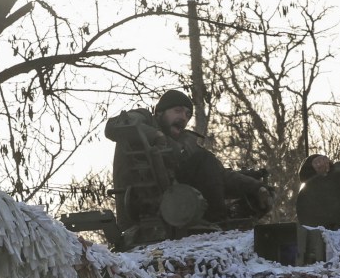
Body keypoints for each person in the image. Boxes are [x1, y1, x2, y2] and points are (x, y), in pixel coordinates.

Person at [105, 89, 272, 229]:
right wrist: (156, 135)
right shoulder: (144, 118)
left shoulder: (185, 145)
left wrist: (256, 187)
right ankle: (218, 222)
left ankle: (223, 220)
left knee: (255, 188)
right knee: (204, 160)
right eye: (177, 110)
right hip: (145, 213)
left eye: (188, 114)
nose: (183, 118)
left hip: (180, 209)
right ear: (160, 112)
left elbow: (217, 174)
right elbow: (115, 126)